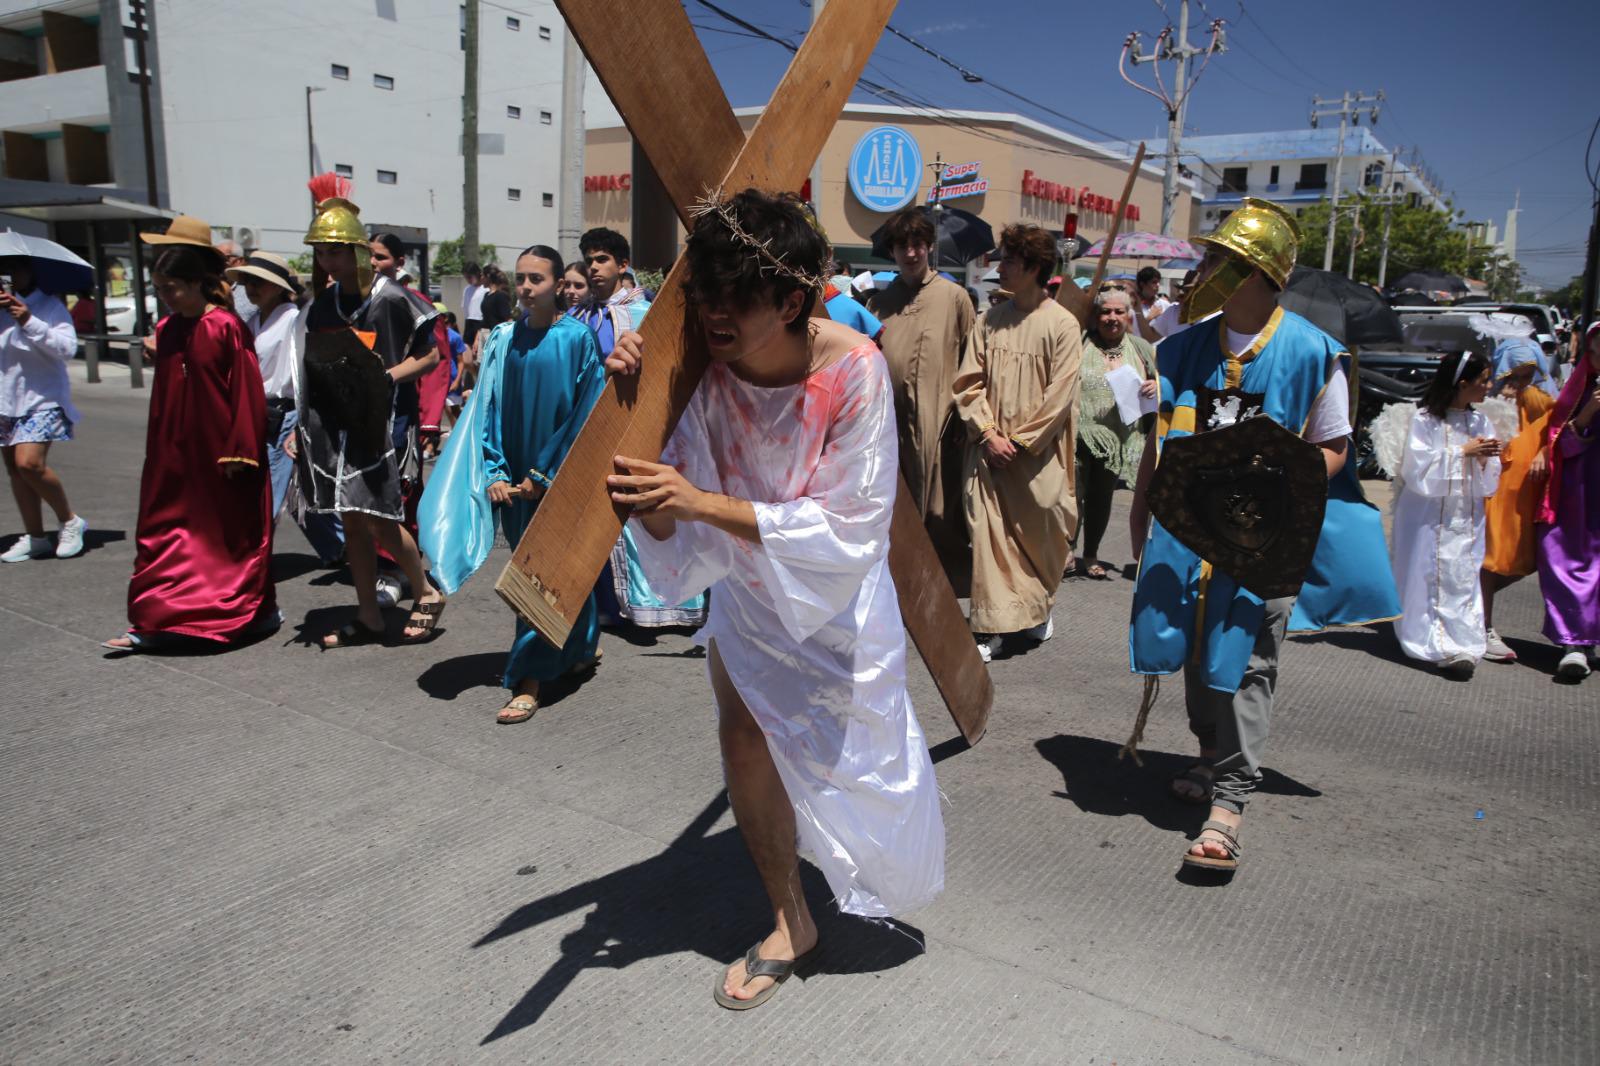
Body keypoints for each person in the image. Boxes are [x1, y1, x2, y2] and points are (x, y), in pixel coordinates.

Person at [605, 188, 943, 1009]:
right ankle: (792, 915)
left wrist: (695, 504)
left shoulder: (854, 370)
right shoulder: (700, 363)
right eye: (703, 296)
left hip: (836, 604)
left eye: (735, 299)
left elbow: (852, 524)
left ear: (793, 300)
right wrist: (630, 391)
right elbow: (660, 497)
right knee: (746, 741)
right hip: (749, 598)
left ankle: (836, 873)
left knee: (849, 762)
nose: (713, 316)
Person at [1127, 198, 1391, 872]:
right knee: (1192, 651)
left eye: (1218, 259)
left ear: (1255, 273)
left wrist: (1273, 479)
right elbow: (1159, 440)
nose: (1203, 268)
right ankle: (1210, 752)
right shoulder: (1181, 347)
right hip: (1186, 535)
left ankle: (1230, 804)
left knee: (1250, 660)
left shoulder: (1311, 351)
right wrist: (1141, 512)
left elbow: (1334, 446)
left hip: (1262, 537)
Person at [420, 245, 606, 723]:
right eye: (520, 278)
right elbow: (489, 410)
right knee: (542, 567)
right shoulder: (504, 338)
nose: (525, 288)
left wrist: (543, 474)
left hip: (559, 476)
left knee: (539, 573)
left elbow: (584, 415)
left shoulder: (577, 340)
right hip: (513, 480)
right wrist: (499, 471)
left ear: (558, 285)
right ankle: (580, 645)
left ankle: (530, 677)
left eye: (536, 279)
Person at [291, 174, 446, 648]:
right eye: (321, 252)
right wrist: (301, 427)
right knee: (351, 520)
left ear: (357, 251)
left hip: (384, 425)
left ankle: (424, 590)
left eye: (335, 251)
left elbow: (433, 356)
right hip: (335, 427)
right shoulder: (323, 304)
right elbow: (314, 367)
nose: (327, 261)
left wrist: (388, 376)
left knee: (379, 517)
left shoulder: (393, 298)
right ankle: (368, 616)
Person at [103, 237, 276, 650]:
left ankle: (234, 615)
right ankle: (154, 619)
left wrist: (241, 450)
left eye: (171, 288)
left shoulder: (226, 327)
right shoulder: (167, 328)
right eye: (158, 288)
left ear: (196, 283)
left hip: (223, 455)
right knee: (163, 534)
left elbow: (246, 393)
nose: (164, 298)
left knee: (221, 540)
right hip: (172, 453)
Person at [954, 223, 1081, 663]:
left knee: (1045, 532)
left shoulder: (1062, 325)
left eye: (1008, 259)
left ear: (1032, 267)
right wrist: (988, 435)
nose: (1000, 267)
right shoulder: (989, 322)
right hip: (989, 454)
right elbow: (968, 384)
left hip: (1038, 459)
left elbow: (1061, 395)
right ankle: (988, 629)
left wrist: (1021, 443)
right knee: (988, 540)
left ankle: (1036, 609)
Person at [568, 226, 706, 630]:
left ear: (622, 265)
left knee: (647, 513)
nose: (594, 268)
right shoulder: (576, 317)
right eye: (588, 260)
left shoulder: (647, 314)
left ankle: (661, 603)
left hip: (642, 428)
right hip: (592, 429)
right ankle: (608, 606)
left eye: (602, 260)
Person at [867, 205, 974, 585]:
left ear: (929, 247)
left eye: (917, 244)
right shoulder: (878, 303)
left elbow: (973, 363)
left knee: (941, 509)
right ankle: (898, 583)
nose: (910, 253)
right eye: (902, 246)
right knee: (895, 504)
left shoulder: (955, 297)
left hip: (940, 425)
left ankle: (942, 589)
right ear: (892, 252)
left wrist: (966, 417)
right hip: (889, 426)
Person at [1390, 350, 1502, 677]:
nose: (1488, 386)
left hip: (1465, 515)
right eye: (1483, 381)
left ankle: (1464, 641)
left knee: (1462, 575)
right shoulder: (1425, 420)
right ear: (1462, 383)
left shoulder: (1481, 420)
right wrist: (1463, 452)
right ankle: (1432, 641)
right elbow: (1417, 469)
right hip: (1427, 513)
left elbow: (1490, 474)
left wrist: (1484, 460)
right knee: (1427, 573)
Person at [0, 257, 87, 562]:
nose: (7, 277)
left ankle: (70, 520)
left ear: (28, 272)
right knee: (15, 470)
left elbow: (66, 349)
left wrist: (27, 319)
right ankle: (35, 536)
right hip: (5, 401)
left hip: (43, 398)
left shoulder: (48, 306)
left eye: (13, 271)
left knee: (29, 464)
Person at [1480, 334, 1559, 662]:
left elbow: (1558, 426)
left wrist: (1545, 450)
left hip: (1528, 494)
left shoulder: (1539, 398)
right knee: (1490, 558)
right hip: (1495, 492)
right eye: (1514, 375)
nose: (1521, 383)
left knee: (1525, 561)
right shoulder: (1486, 398)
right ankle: (1483, 625)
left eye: (1527, 376)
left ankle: (1465, 606)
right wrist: (1500, 403)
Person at [1075, 285, 1156, 579]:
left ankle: (1091, 553)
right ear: (1096, 316)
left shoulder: (1141, 348)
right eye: (1105, 311)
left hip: (1117, 442)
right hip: (1077, 435)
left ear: (1128, 316)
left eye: (1118, 312)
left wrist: (1156, 386)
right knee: (1072, 497)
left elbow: (1163, 382)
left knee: (1101, 498)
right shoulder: (1081, 341)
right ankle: (1066, 552)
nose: (1112, 317)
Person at [1536, 321, 1600, 680]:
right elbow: (1563, 445)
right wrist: (1588, 413)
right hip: (1579, 492)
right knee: (1568, 558)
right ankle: (1575, 644)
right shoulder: (1578, 393)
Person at [228, 252, 303, 521]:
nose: (251, 288)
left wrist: (300, 422)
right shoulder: (252, 321)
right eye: (247, 281)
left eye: (258, 282)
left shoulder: (294, 319)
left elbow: (305, 373)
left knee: (271, 487)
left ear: (278, 287)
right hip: (257, 411)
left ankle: (254, 555)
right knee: (290, 486)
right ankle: (338, 544)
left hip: (286, 412)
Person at [461, 261, 485, 347]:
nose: (468, 280)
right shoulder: (467, 289)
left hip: (481, 322)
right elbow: (464, 307)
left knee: (479, 352)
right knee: (467, 351)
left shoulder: (485, 289)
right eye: (466, 278)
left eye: (470, 277)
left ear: (477, 273)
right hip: (469, 322)